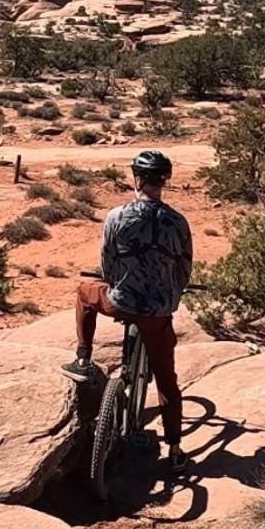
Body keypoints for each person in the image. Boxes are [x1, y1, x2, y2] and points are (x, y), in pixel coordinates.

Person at [66, 149, 195, 471]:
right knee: (167, 380)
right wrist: (171, 294)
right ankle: (175, 450)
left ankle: (83, 358)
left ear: (136, 179)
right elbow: (185, 268)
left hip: (122, 300)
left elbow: (107, 263)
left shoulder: (117, 217)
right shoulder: (178, 222)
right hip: (158, 312)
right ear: (165, 180)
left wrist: (118, 281)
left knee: (85, 293)